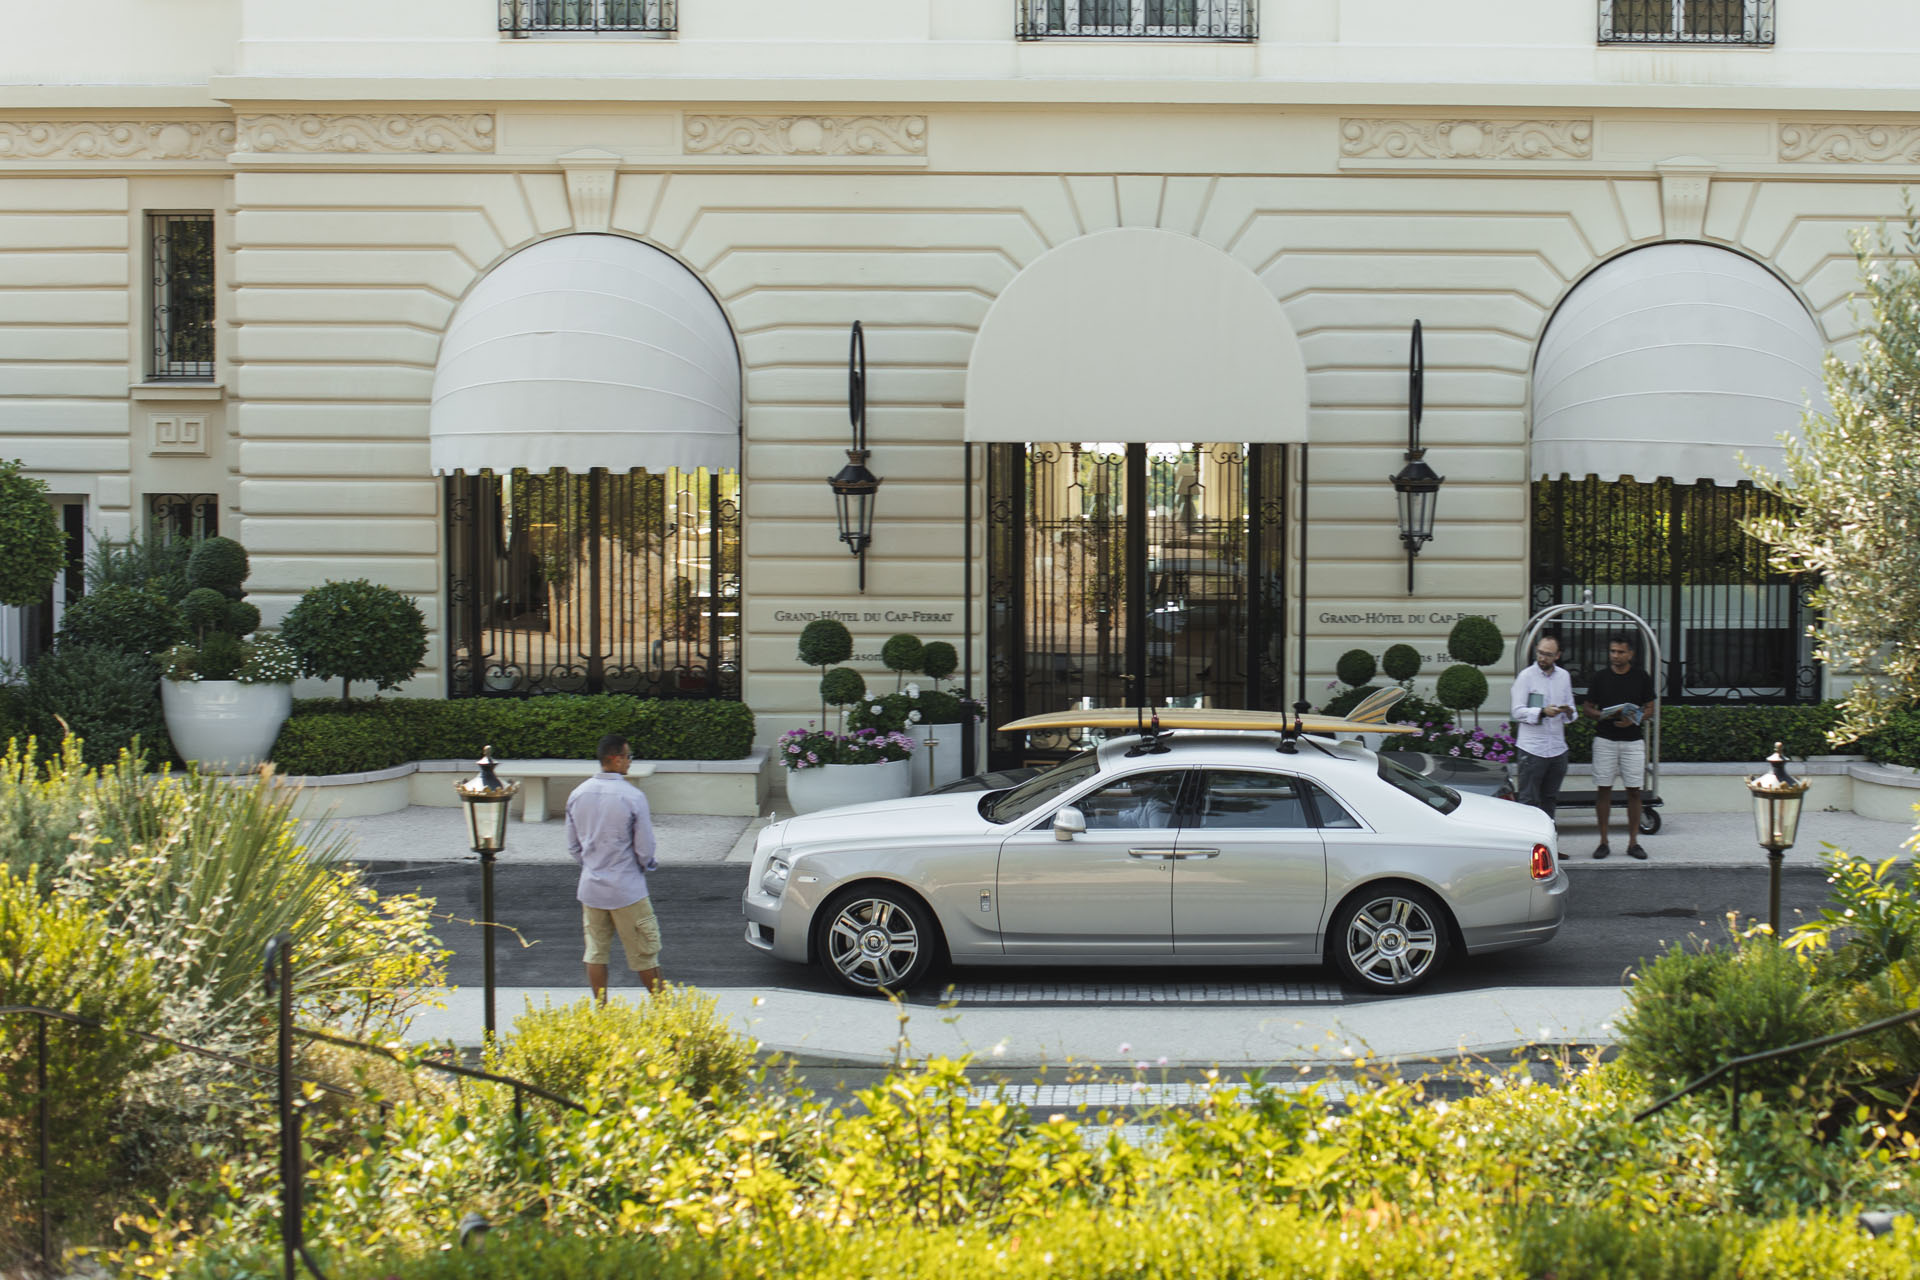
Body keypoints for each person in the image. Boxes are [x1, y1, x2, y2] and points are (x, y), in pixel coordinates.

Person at [565, 733, 662, 1001]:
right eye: (628, 756)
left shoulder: (577, 794)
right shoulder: (632, 796)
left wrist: (592, 865)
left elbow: (573, 846)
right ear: (616, 759)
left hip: (591, 887)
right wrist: (645, 865)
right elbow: (645, 849)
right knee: (645, 952)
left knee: (595, 952)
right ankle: (664, 1011)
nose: (630, 762)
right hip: (627, 888)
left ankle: (602, 1012)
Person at [1581, 632, 1658, 860]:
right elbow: (1587, 708)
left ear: (1630, 654)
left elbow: (1650, 708)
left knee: (1634, 791)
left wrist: (1634, 718)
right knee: (1603, 789)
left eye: (1620, 652)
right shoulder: (1600, 677)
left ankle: (1633, 842)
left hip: (1633, 741)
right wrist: (1602, 715)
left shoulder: (1641, 677)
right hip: (1605, 740)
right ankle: (1603, 842)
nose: (1615, 656)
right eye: (1613, 651)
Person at [1510, 633, 1576, 820]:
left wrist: (1568, 712)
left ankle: (1548, 839)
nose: (1542, 657)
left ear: (1558, 655)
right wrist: (1541, 712)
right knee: (1528, 800)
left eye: (1548, 654)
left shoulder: (1563, 676)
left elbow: (1572, 709)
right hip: (1532, 749)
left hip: (1557, 749)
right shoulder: (1526, 677)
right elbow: (1516, 711)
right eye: (1539, 652)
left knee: (1550, 798)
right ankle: (1528, 841)